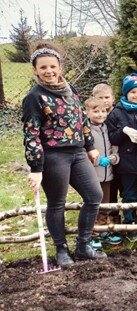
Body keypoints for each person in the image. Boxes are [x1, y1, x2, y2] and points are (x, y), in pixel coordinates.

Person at [22, 44, 105, 268]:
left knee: (94, 195)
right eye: (43, 67)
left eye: (52, 66)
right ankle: (61, 249)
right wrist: (36, 168)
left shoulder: (71, 90)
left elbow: (82, 120)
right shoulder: (35, 98)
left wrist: (90, 145)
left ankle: (83, 245)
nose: (49, 71)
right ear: (35, 70)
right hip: (54, 156)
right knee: (57, 203)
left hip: (78, 152)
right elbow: (31, 133)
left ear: (60, 68)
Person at [106, 73, 137, 241]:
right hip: (126, 164)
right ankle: (130, 224)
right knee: (129, 194)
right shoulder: (116, 113)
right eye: (133, 92)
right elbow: (111, 137)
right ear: (126, 94)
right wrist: (124, 131)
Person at [86, 96, 121, 248]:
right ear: (87, 113)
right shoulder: (86, 130)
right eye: (96, 111)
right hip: (92, 174)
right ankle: (92, 234)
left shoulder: (106, 127)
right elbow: (83, 149)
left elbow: (113, 145)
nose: (100, 114)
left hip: (107, 174)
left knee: (105, 204)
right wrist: (94, 159)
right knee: (94, 204)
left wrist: (114, 157)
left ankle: (102, 230)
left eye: (103, 111)